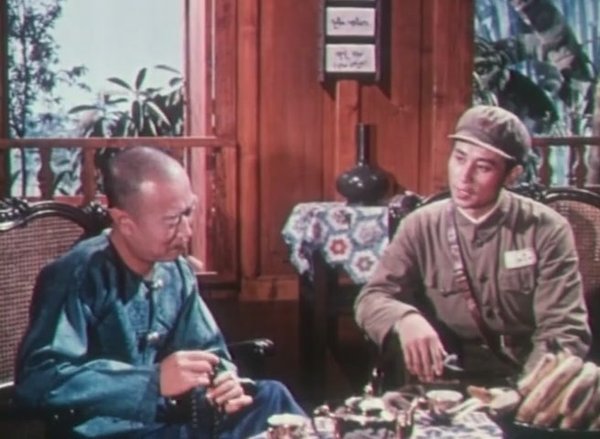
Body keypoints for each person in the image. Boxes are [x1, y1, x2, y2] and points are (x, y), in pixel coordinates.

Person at [15, 146, 305, 438]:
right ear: (126, 223)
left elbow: (208, 348)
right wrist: (152, 382)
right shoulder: (77, 275)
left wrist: (223, 379)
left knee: (271, 398)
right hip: (106, 429)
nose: (187, 231)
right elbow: (39, 380)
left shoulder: (175, 270)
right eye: (172, 221)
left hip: (170, 417)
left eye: (188, 213)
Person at [354, 105, 591, 386]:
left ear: (512, 175)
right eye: (459, 158)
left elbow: (564, 328)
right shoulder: (420, 225)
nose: (464, 176)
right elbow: (371, 298)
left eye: (483, 167)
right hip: (445, 379)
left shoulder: (546, 229)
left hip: (528, 375)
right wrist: (405, 319)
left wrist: (529, 390)